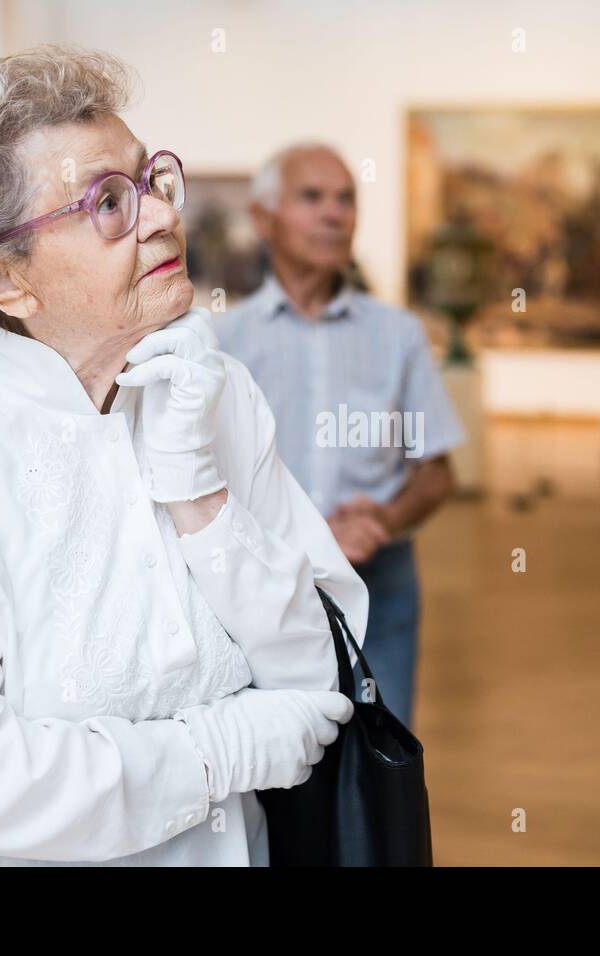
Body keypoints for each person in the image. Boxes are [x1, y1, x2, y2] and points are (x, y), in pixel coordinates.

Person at [0, 46, 367, 866]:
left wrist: (197, 490)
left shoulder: (218, 392)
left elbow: (318, 680)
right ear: (2, 280)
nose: (159, 215)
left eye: (151, 178)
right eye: (106, 203)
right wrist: (215, 751)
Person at [216, 143, 464, 731]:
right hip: (264, 590)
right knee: (277, 770)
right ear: (263, 217)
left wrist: (386, 518)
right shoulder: (226, 341)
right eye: (312, 197)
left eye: (346, 199)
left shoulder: (398, 336)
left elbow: (437, 470)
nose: (334, 214)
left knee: (383, 768)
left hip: (382, 586)